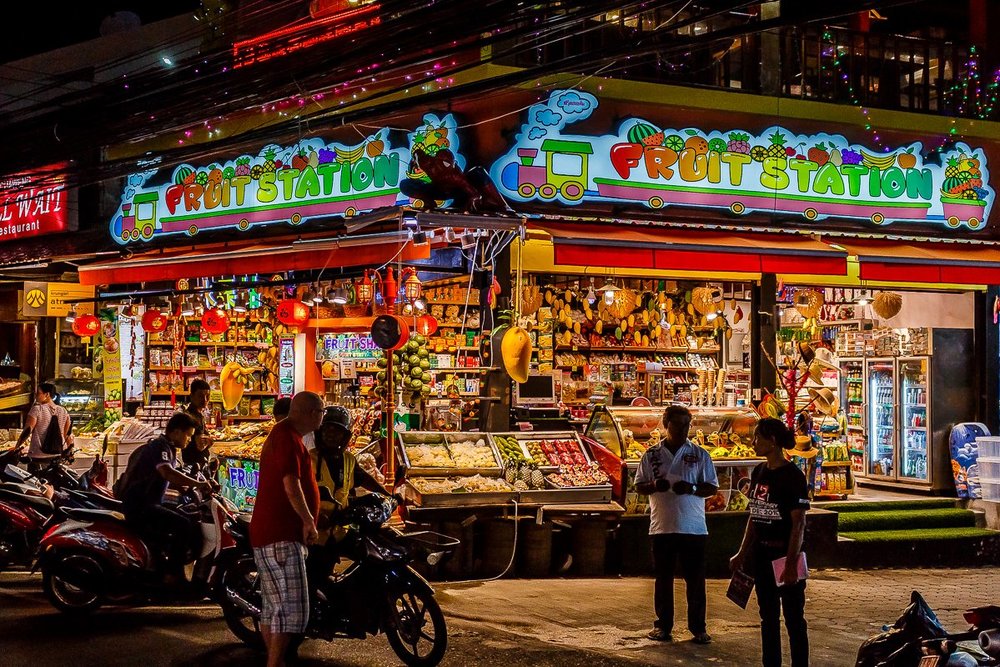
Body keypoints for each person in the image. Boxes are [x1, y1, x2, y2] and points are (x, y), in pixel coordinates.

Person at [250, 391, 325, 667]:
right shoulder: (286, 438)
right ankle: (275, 662)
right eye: (321, 411)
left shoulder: (287, 436)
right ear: (310, 413)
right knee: (291, 609)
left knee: (273, 607)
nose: (323, 417)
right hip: (280, 535)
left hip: (271, 534)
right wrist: (307, 520)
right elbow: (291, 484)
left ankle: (275, 661)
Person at [634, 404, 719, 644]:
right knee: (663, 579)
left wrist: (691, 488)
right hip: (662, 526)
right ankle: (663, 625)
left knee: (695, 580)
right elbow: (639, 485)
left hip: (694, 527)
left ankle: (698, 628)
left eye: (686, 425)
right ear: (666, 424)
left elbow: (711, 487)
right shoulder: (651, 455)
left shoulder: (700, 454)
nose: (682, 429)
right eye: (677, 424)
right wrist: (654, 486)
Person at [730, 417, 810, 667]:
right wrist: (742, 553)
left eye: (758, 438)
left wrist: (790, 564)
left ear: (773, 441)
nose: (753, 443)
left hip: (785, 556)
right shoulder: (759, 472)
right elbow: (755, 515)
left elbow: (798, 523)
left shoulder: (793, 476)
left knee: (794, 619)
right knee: (768, 618)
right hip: (762, 557)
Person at [115, 412, 213, 579]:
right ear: (176, 432)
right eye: (188, 435)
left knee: (188, 518)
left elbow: (170, 479)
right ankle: (173, 574)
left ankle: (165, 566)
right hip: (141, 507)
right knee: (183, 526)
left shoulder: (168, 447)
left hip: (151, 503)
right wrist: (198, 484)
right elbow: (167, 473)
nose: (189, 440)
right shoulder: (160, 447)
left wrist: (188, 488)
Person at [308, 406, 389, 581]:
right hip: (313, 535)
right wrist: (314, 516)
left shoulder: (348, 459)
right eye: (327, 430)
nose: (331, 435)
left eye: (336, 431)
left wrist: (388, 494)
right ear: (319, 432)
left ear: (344, 436)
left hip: (340, 531)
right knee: (314, 580)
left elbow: (364, 479)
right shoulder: (308, 459)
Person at [16, 382, 74, 473]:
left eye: (38, 393)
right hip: (57, 456)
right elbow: (68, 435)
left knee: (37, 485)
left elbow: (27, 431)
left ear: (47, 394)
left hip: (38, 457)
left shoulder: (37, 409)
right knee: (52, 486)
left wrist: (16, 447)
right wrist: (70, 453)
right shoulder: (63, 411)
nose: (35, 396)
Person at [181, 379, 213, 469]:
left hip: (197, 464)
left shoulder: (198, 414)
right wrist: (210, 440)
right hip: (195, 466)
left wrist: (207, 439)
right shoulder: (192, 417)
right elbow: (200, 446)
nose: (205, 400)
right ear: (191, 396)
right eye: (200, 396)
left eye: (207, 396)